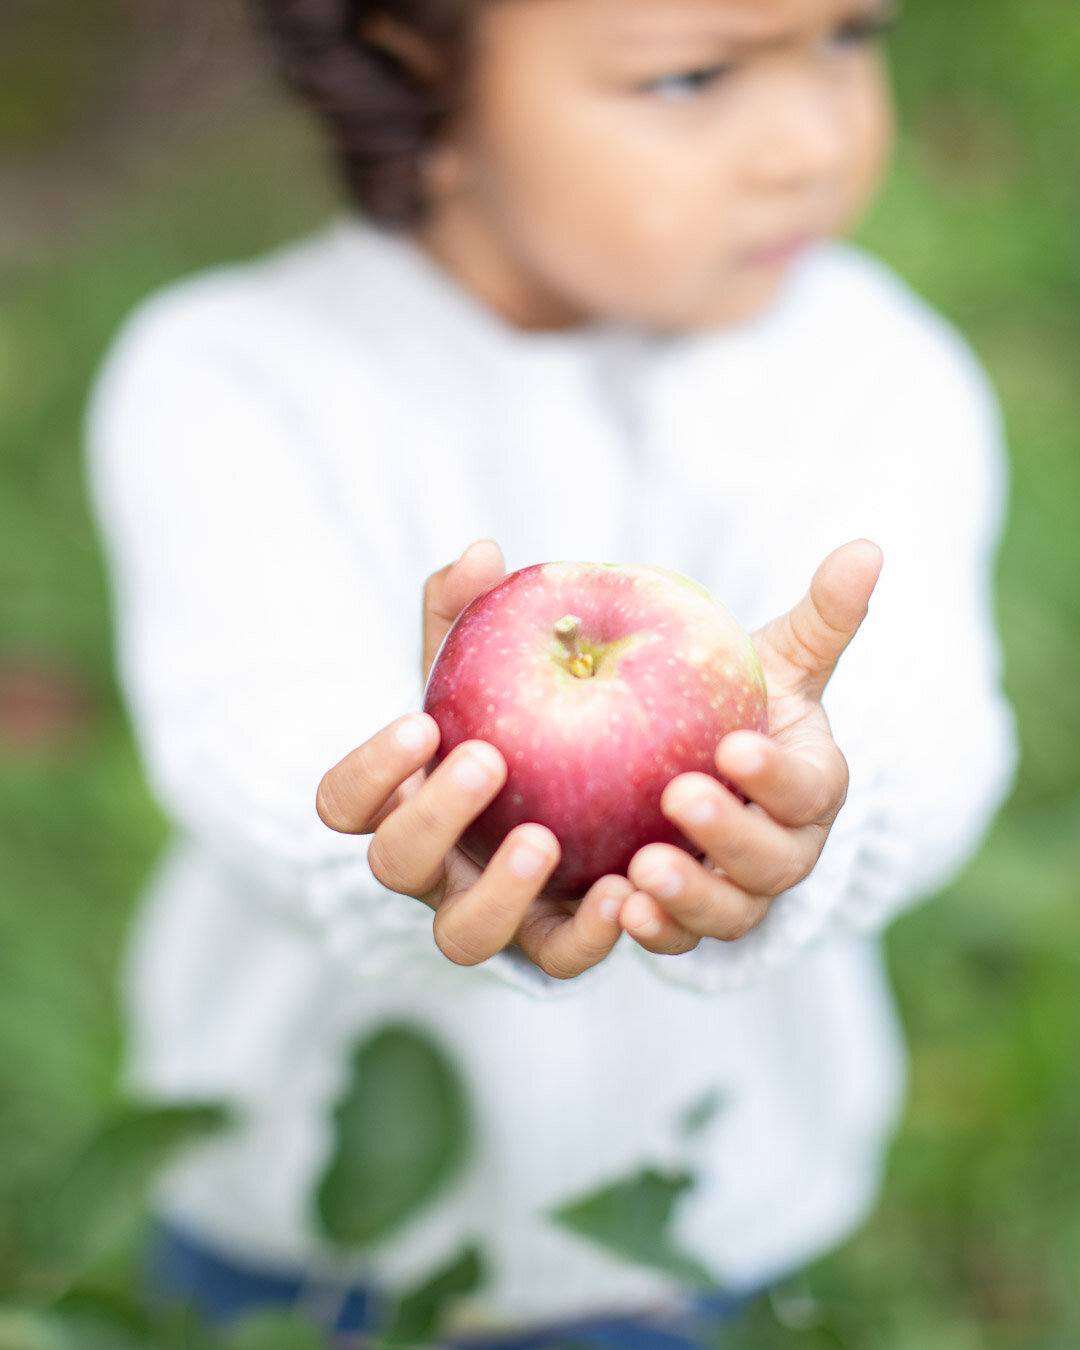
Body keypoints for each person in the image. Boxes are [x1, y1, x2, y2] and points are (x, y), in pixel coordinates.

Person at [85, 0, 1017, 1341]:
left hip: (706, 1223)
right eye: (693, 76)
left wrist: (817, 814)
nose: (812, 141)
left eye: (850, 39)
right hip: (298, 1238)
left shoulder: (871, 373)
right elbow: (244, 717)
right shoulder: (231, 378)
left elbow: (931, 707)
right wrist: (409, 836)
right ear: (421, 58)